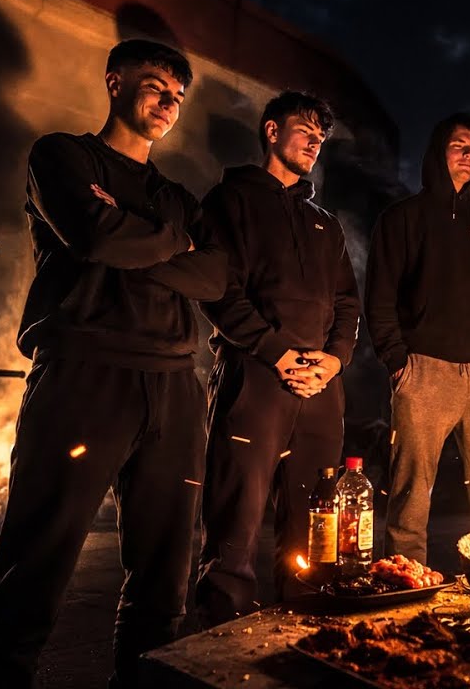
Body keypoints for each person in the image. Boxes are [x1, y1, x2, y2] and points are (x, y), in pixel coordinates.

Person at [0, 39, 224, 689]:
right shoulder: (62, 156)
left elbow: (216, 274)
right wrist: (168, 242)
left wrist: (135, 236)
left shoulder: (173, 193)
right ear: (115, 82)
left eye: (176, 96)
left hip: (173, 385)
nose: (167, 103)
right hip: (83, 374)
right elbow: (93, 235)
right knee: (36, 570)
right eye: (155, 86)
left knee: (164, 586)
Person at [195, 91, 360, 623]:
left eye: (321, 138)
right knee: (236, 518)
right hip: (256, 377)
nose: (314, 144)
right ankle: (220, 640)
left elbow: (346, 302)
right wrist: (277, 353)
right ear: (271, 131)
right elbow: (220, 290)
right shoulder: (230, 202)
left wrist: (334, 360)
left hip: (321, 389)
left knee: (317, 522)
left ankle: (306, 631)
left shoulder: (324, 222)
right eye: (304, 131)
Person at [366, 112, 470, 564]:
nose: (468, 155)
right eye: (459, 146)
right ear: (439, 152)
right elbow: (379, 295)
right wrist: (398, 360)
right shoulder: (402, 219)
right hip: (426, 371)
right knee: (411, 495)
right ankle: (405, 587)